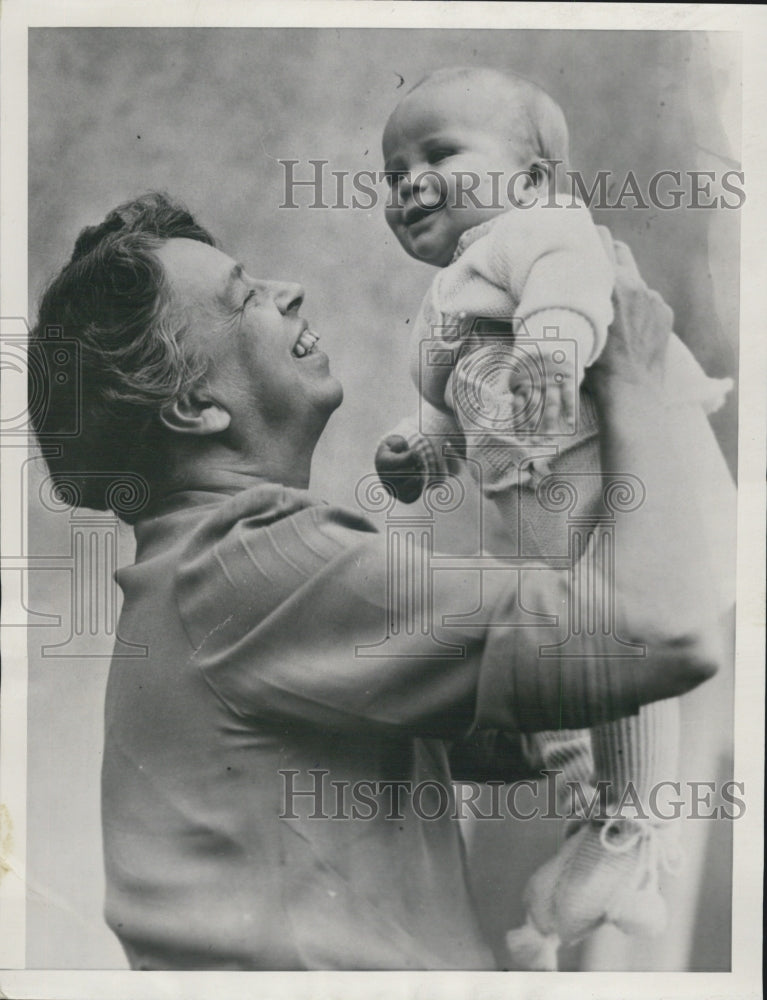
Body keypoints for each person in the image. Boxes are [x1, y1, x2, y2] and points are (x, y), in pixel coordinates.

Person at [30, 193, 726, 971]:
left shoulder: (193, 581)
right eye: (245, 295)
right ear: (195, 406)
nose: (287, 289)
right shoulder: (249, 566)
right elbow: (663, 634)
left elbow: (526, 723)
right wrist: (633, 374)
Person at [375, 67, 734, 966]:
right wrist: (418, 450)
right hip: (531, 497)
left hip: (607, 471)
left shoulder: (534, 233)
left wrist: (548, 344)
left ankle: (633, 823)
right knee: (561, 659)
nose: (407, 180)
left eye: (439, 154)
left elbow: (572, 284)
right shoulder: (444, 300)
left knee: (615, 640)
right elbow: (443, 405)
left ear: (531, 181)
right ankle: (597, 830)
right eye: (390, 171)